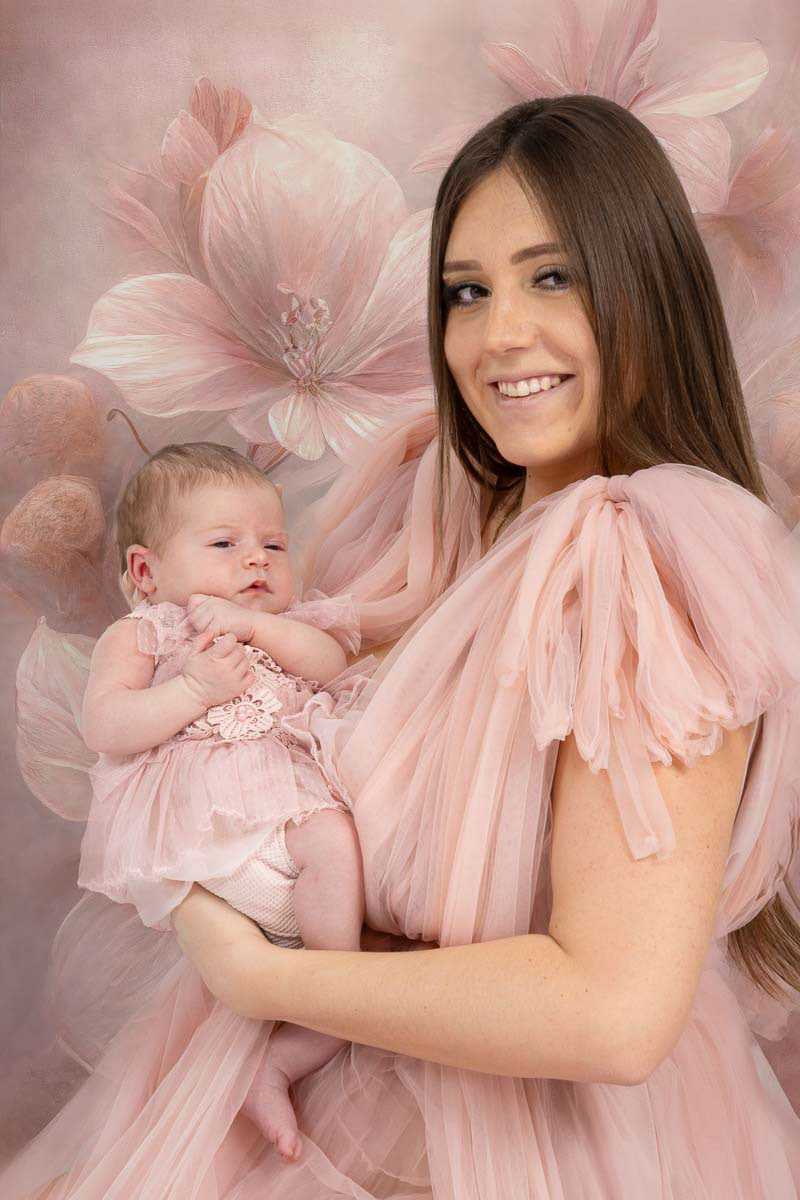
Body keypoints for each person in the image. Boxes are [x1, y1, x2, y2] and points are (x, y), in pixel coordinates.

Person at [3, 93, 800, 1198]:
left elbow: (612, 1014)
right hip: (319, 1081)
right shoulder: (440, 506)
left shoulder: (645, 561)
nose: (499, 333)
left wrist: (259, 979)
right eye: (466, 292)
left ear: (647, 288)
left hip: (524, 1146)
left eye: (552, 277)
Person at [79, 440, 372, 1164]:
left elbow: (333, 667)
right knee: (308, 877)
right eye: (224, 544)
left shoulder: (288, 624)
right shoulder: (146, 632)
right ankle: (326, 1001)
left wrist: (260, 628)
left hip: (291, 832)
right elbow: (105, 726)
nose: (256, 561)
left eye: (273, 544)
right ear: (146, 572)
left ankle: (317, 1028)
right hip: (205, 834)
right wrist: (191, 689)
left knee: (335, 842)